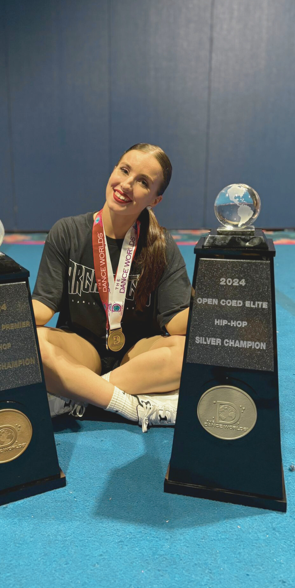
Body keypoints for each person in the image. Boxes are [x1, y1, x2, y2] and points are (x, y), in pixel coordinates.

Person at [32, 143, 190, 432]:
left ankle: (80, 394)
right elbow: (42, 307)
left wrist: (218, 307)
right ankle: (128, 405)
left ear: (155, 200)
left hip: (137, 358)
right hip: (81, 350)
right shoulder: (67, 232)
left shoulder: (161, 245)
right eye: (124, 170)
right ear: (114, 169)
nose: (127, 184)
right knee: (31, 342)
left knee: (189, 350)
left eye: (143, 182)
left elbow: (177, 321)